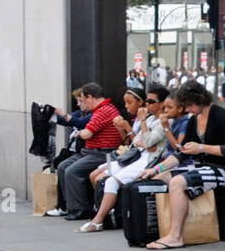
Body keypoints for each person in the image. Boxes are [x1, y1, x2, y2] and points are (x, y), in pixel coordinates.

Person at [146, 82, 225, 250]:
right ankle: (171, 226)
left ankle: (175, 236)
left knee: (177, 182)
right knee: (160, 178)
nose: (188, 109)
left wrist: (201, 148)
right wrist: (157, 169)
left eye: (189, 105)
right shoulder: (193, 121)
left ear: (199, 100)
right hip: (204, 168)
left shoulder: (223, 117)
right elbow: (182, 153)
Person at [79, 87, 167, 232]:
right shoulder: (150, 119)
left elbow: (148, 143)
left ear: (161, 103)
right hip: (137, 156)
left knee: (110, 181)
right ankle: (105, 215)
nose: (147, 105)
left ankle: (99, 219)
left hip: (149, 160)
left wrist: (142, 124)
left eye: (151, 101)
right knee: (100, 177)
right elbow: (137, 142)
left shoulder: (160, 121)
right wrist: (130, 130)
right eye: (147, 101)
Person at [49, 84, 124, 219]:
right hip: (91, 151)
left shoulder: (103, 111)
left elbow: (86, 133)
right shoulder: (100, 110)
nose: (81, 104)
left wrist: (81, 132)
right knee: (63, 166)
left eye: (83, 99)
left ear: (90, 97)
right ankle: (68, 205)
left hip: (103, 153)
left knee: (73, 171)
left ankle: (81, 208)